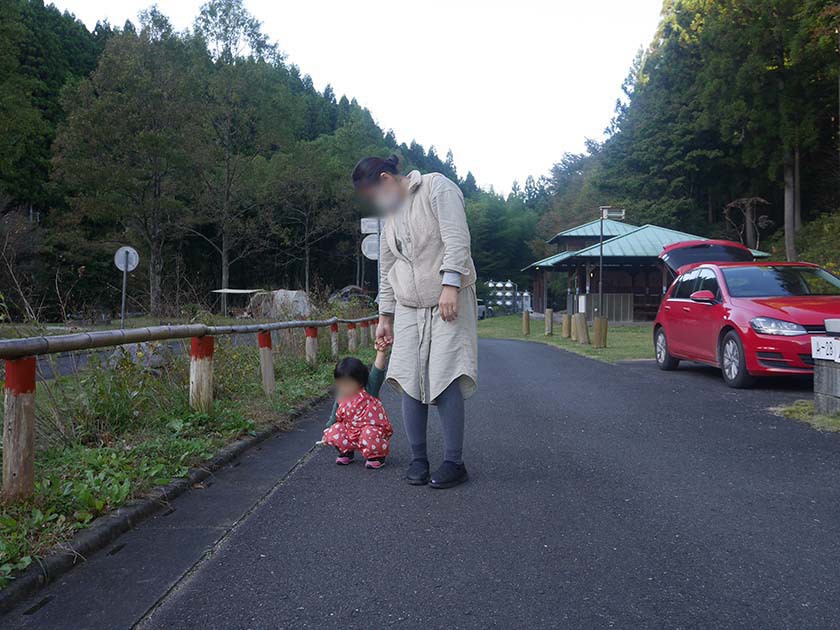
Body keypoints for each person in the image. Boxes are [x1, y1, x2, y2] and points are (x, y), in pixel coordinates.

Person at [352, 155, 478, 489]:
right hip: (408, 305)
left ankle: (454, 462)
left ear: (386, 179)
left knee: (445, 374)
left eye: (372, 194)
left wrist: (450, 284)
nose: (375, 203)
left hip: (446, 299)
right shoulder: (391, 213)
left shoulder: (436, 187)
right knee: (409, 377)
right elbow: (387, 265)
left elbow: (457, 239)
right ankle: (418, 458)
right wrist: (385, 315)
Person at [323, 339, 393, 469]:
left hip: (370, 431)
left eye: (347, 384)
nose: (343, 387)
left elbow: (377, 371)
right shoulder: (341, 395)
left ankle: (376, 456)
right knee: (334, 430)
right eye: (340, 384)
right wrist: (328, 429)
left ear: (360, 381)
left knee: (369, 433)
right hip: (351, 431)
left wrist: (381, 352)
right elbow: (334, 416)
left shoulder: (369, 390)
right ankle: (346, 452)